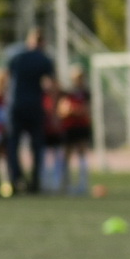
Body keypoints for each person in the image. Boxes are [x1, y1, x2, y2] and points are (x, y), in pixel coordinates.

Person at [2, 29, 56, 195]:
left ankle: (16, 179)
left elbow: (6, 78)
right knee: (37, 145)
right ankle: (35, 181)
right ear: (43, 42)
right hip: (34, 106)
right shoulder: (44, 59)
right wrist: (53, 109)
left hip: (15, 105)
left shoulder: (16, 57)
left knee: (13, 145)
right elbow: (52, 85)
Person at [54, 66, 93, 196]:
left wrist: (74, 110)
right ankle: (65, 184)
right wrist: (74, 110)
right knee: (66, 154)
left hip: (81, 126)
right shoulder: (67, 93)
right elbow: (62, 110)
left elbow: (86, 110)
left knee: (82, 153)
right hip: (69, 127)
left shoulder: (86, 93)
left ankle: (83, 184)